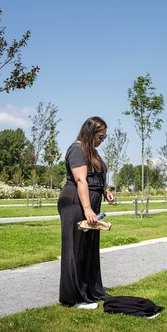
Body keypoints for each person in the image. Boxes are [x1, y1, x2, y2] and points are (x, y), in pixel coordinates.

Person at [58, 116, 114, 309]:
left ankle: (90, 291)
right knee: (75, 250)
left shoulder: (92, 152)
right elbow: (81, 180)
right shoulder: (77, 149)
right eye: (101, 136)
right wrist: (88, 208)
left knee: (88, 251)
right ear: (90, 133)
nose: (102, 140)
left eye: (104, 137)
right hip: (75, 203)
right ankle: (73, 299)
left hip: (89, 202)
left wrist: (104, 191)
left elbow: (94, 178)